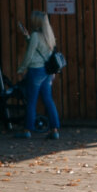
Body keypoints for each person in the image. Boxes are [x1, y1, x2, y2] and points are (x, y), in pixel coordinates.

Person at [17, 9, 61, 139]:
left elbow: (30, 54)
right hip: (47, 72)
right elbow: (41, 49)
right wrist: (27, 37)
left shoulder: (36, 35)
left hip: (36, 70)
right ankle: (55, 130)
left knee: (31, 101)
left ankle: (27, 130)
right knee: (48, 100)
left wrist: (21, 69)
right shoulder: (49, 35)